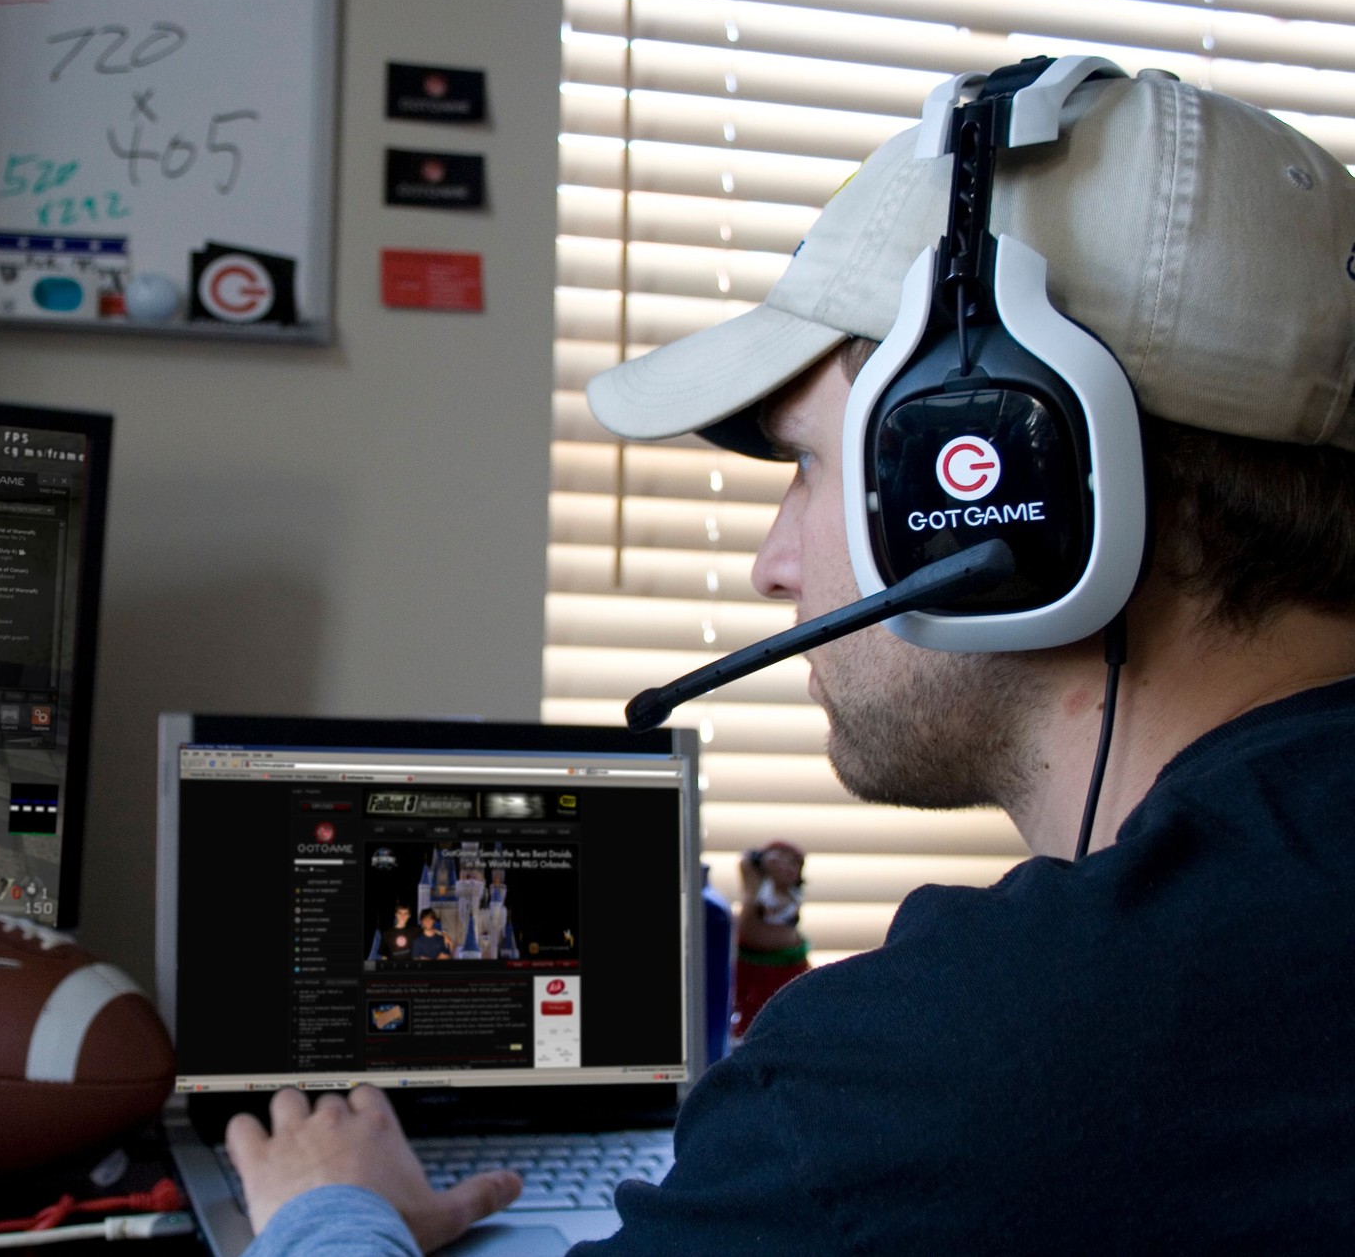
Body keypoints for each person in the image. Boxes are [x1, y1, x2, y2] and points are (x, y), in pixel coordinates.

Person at [226, 66, 1355, 1252]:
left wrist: (325, 1208)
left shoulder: (965, 1068)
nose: (772, 567)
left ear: (984, 488)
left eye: (807, 464)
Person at [730, 840, 808, 1040]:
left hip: (786, 964)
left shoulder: (791, 896)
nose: (786, 866)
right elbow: (746, 862)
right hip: (749, 962)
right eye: (779, 856)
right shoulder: (757, 887)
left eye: (794, 864)